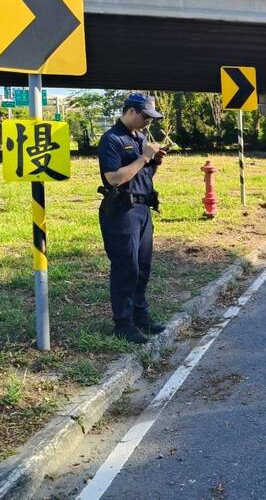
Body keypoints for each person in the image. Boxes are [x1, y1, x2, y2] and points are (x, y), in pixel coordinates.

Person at [97, 93, 168, 344]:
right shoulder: (112, 139)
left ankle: (140, 315)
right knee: (126, 268)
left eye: (151, 117)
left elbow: (142, 176)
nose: (148, 121)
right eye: (145, 116)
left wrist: (154, 162)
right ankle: (123, 324)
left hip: (142, 210)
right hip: (122, 212)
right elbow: (114, 178)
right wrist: (143, 157)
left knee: (142, 267)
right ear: (130, 111)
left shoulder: (140, 138)